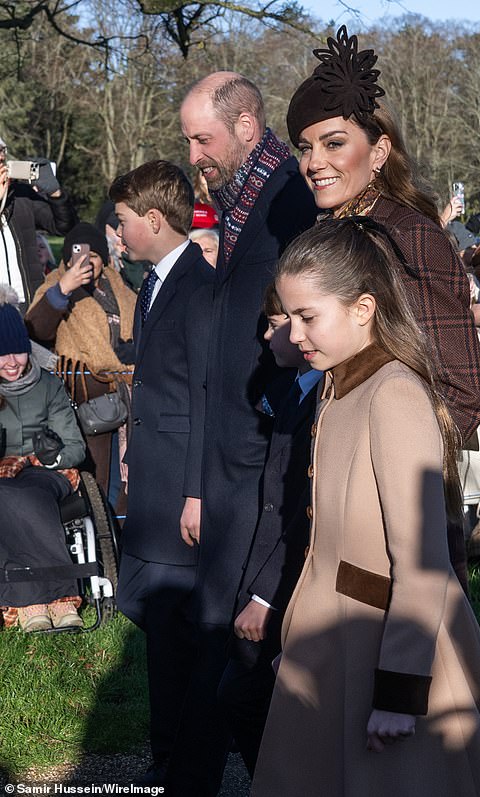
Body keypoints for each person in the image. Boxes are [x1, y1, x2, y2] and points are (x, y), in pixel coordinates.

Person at [250, 218, 480, 797]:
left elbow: (421, 559)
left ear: (363, 308)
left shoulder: (394, 394)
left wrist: (400, 692)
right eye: (288, 316)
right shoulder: (336, 383)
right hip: (332, 643)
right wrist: (297, 642)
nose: (294, 333)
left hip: (389, 648)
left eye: (308, 316)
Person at [285, 25, 480, 589]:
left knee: (405, 667)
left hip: (395, 518)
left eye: (333, 142)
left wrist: (381, 463)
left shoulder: (407, 235)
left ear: (380, 150)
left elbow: (463, 395)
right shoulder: (334, 234)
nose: (314, 161)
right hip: (331, 507)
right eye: (305, 146)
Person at [172, 71, 316, 794]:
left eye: (204, 137)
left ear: (249, 125)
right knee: (223, 652)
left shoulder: (292, 197)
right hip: (227, 464)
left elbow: (299, 335)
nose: (194, 153)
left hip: (271, 456)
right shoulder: (233, 201)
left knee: (249, 663)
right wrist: (198, 483)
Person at [108, 160, 216, 785]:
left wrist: (198, 490)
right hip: (154, 475)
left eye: (122, 222)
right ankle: (170, 751)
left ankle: (182, 759)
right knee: (158, 627)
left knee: (176, 632)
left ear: (153, 220)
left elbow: (206, 395)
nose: (116, 234)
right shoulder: (155, 284)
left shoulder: (197, 289)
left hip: (182, 489)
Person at [217, 282, 321, 775]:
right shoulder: (289, 388)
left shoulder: (323, 400)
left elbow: (304, 507)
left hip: (285, 586)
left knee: (246, 697)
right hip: (264, 570)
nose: (269, 334)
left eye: (277, 324)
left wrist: (266, 596)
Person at [25, 222, 136, 502]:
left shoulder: (120, 287)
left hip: (127, 396)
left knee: (126, 483)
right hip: (83, 401)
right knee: (94, 483)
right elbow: (35, 330)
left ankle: (121, 538)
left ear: (104, 258)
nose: (86, 262)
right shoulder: (55, 287)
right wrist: (63, 290)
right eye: (78, 255)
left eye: (93, 256)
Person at [0, 284, 85, 632]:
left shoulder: (48, 386)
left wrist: (53, 455)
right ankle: (45, 599)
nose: (10, 363)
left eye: (18, 352)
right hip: (3, 476)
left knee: (21, 494)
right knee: (6, 495)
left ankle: (47, 600)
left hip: (43, 472)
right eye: (1, 354)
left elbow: (76, 447)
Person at [0, 135, 78, 310]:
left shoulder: (20, 195)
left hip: (28, 305)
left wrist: (55, 193)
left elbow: (65, 227)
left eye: (2, 151)